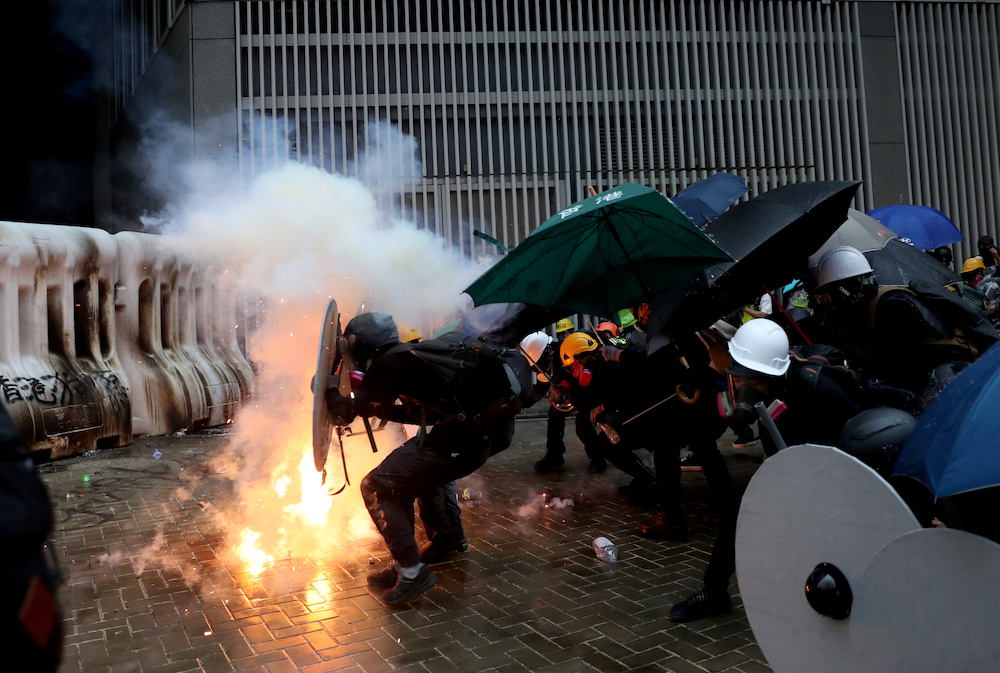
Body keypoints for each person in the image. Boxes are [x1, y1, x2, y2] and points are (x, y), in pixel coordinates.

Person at [670, 318, 873, 622]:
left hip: (833, 467)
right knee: (739, 517)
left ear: (775, 377)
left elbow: (868, 433)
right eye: (739, 379)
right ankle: (714, 593)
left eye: (754, 383)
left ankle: (844, 601)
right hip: (791, 462)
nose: (743, 390)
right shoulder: (751, 387)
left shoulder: (817, 386)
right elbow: (703, 427)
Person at [325, 312, 524, 605]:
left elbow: (342, 413)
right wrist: (379, 410)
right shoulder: (410, 358)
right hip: (473, 443)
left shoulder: (387, 363)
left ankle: (411, 572)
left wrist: (326, 386)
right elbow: (426, 414)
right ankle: (419, 557)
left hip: (458, 445)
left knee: (375, 486)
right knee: (401, 482)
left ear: (362, 343)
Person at [806, 245, 997, 397]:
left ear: (844, 289)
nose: (830, 304)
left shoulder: (891, 305)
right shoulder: (874, 302)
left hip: (952, 370)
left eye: (829, 296)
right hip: (933, 369)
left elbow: (893, 361)